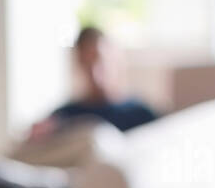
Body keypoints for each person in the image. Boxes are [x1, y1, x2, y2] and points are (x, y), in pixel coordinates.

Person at [31, 24, 160, 137]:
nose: (94, 72)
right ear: (78, 64)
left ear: (115, 59)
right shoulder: (63, 117)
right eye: (87, 63)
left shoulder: (141, 114)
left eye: (99, 60)